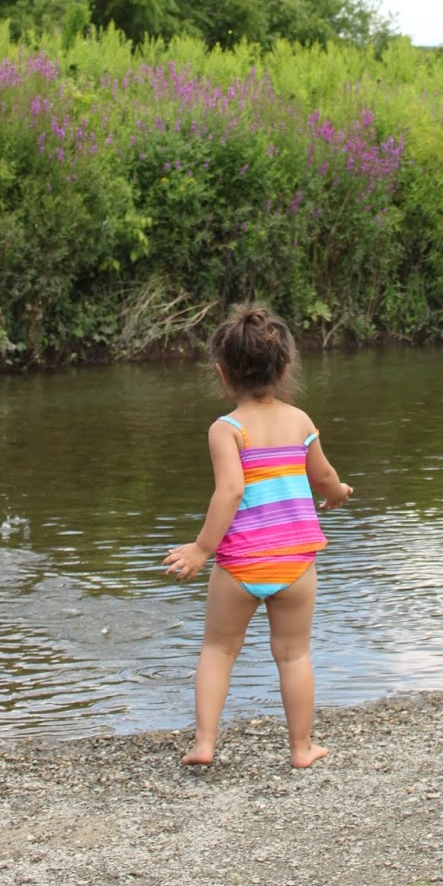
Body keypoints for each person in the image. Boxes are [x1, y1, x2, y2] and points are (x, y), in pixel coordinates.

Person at [164, 305, 353, 768]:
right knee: (293, 655)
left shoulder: (226, 429)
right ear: (284, 368)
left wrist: (202, 548)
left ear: (223, 373)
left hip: (241, 563)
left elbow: (230, 490)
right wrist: (338, 493)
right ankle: (301, 748)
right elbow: (323, 476)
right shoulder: (301, 421)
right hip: (295, 564)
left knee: (218, 649)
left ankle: (205, 744)